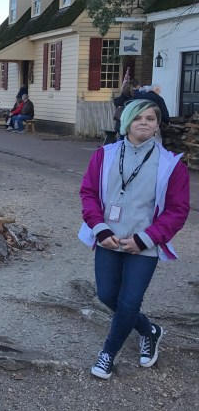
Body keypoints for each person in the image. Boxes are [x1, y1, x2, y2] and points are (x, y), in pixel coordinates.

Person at [78, 99, 190, 380]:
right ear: (127, 122)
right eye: (138, 117)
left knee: (129, 301)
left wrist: (146, 238)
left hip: (145, 244)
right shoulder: (104, 155)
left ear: (156, 125)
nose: (144, 122)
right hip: (109, 239)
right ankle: (149, 330)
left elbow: (178, 210)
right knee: (107, 295)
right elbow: (88, 194)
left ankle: (108, 353)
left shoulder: (171, 164)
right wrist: (100, 229)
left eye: (151, 118)